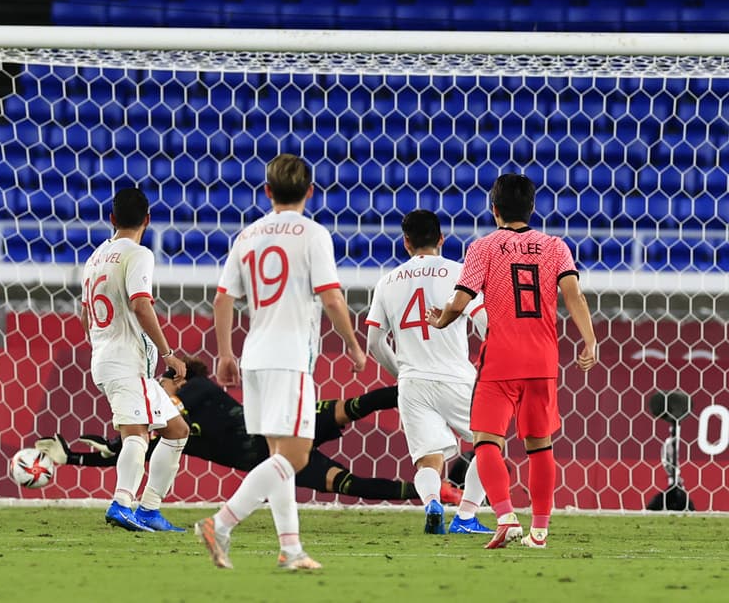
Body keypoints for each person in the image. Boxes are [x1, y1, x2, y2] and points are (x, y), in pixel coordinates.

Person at [196, 154, 366, 572]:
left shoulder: (248, 235)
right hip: (289, 357)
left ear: (268, 191)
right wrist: (353, 344)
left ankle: (291, 550)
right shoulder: (312, 234)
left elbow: (222, 298)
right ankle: (220, 524)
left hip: (254, 355)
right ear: (310, 191)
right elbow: (331, 296)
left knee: (277, 455)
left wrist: (224, 353)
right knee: (296, 457)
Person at [429, 173, 597, 550]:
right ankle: (539, 532)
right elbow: (575, 297)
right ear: (532, 207)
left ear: (494, 209)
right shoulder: (555, 246)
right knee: (541, 446)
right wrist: (590, 340)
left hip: (500, 359)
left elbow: (461, 299)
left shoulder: (483, 247)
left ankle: (505, 515)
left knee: (486, 440)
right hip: (542, 360)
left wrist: (442, 319)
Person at [38, 357, 419, 502]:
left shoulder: (200, 390)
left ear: (176, 379)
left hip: (280, 424)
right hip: (271, 458)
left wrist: (123, 435)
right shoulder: (174, 435)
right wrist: (71, 458)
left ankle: (416, 389)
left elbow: (154, 422)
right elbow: (129, 458)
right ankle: (433, 493)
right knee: (347, 484)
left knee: (350, 408)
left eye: (162, 382)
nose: (158, 387)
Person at [366, 209, 493, 536]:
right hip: (456, 378)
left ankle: (432, 502)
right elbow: (483, 321)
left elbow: (374, 342)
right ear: (441, 239)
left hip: (413, 383)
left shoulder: (387, 282)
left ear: (405, 243)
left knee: (427, 460)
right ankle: (466, 517)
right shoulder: (460, 272)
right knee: (489, 443)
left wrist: (402, 372)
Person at [79, 187, 189, 533]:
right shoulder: (138, 254)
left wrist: (102, 344)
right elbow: (141, 304)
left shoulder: (95, 258)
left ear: (111, 219)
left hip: (109, 356)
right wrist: (168, 352)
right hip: (126, 361)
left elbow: (84, 315)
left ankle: (149, 509)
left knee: (176, 431)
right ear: (148, 220)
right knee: (136, 435)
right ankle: (122, 503)